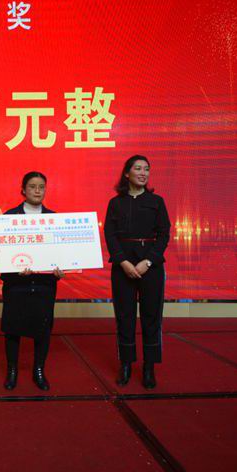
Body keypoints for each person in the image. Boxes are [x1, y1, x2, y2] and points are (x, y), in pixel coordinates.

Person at [104, 155, 171, 389]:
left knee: (152, 316)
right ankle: (125, 364)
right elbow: (110, 235)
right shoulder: (116, 203)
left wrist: (148, 261)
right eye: (138, 168)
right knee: (125, 316)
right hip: (123, 265)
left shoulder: (157, 201)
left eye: (147, 169)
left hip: (150, 266)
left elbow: (164, 234)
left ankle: (149, 367)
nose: (143, 173)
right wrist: (123, 262)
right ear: (127, 173)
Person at [0, 172, 64, 391]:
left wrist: (62, 268)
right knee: (13, 329)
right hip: (16, 285)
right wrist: (14, 268)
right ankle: (12, 370)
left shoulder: (54, 219)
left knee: (43, 328)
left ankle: (39, 370)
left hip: (44, 285)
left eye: (41, 187)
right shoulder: (9, 217)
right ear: (23, 190)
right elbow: (1, 254)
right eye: (32, 186)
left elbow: (61, 253)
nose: (37, 191)